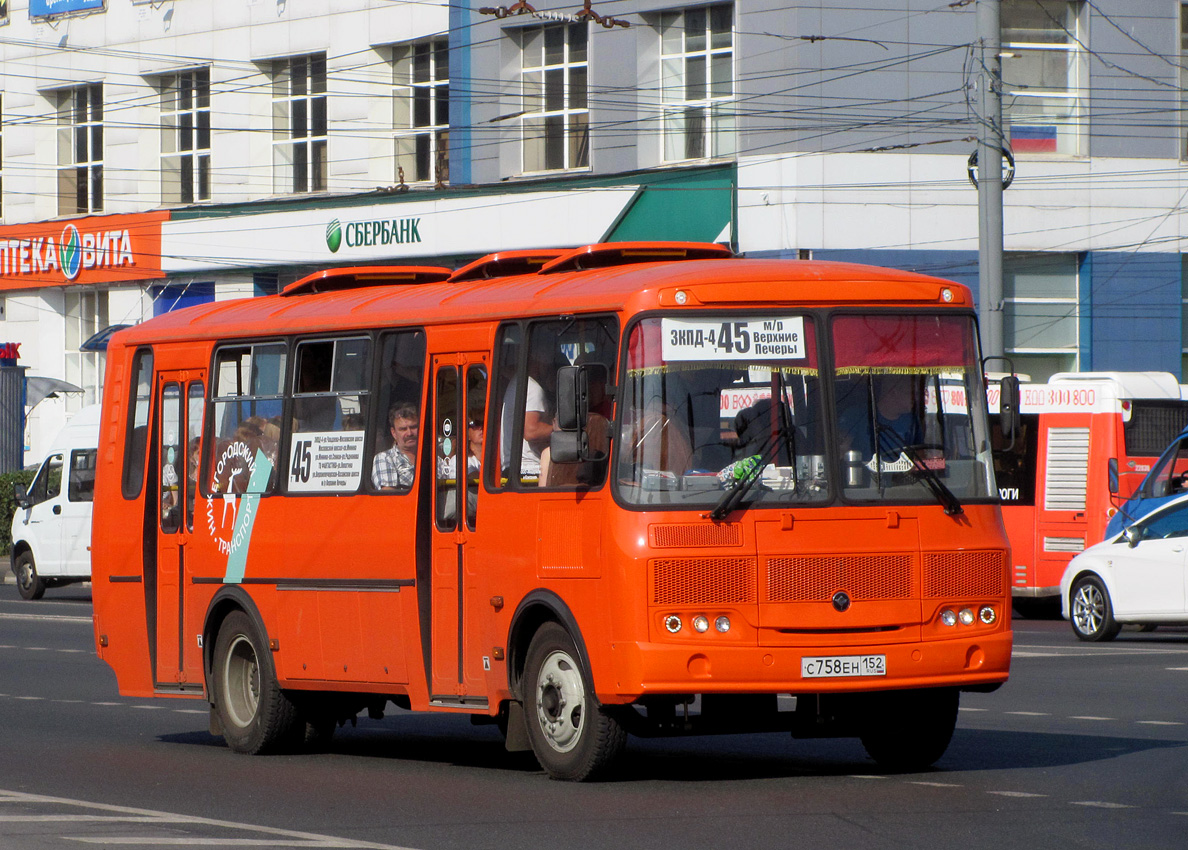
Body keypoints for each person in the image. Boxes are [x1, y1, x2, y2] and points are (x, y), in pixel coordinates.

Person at [500, 349, 554, 480]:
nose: (548, 367)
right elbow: (531, 431)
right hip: (529, 469)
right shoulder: (532, 388)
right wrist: (558, 429)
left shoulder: (517, 383)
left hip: (513, 467)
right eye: (547, 362)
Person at [373, 403, 419, 490]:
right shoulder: (385, 458)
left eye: (413, 427)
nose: (409, 433)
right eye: (403, 429)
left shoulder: (433, 456)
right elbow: (389, 497)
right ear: (393, 432)